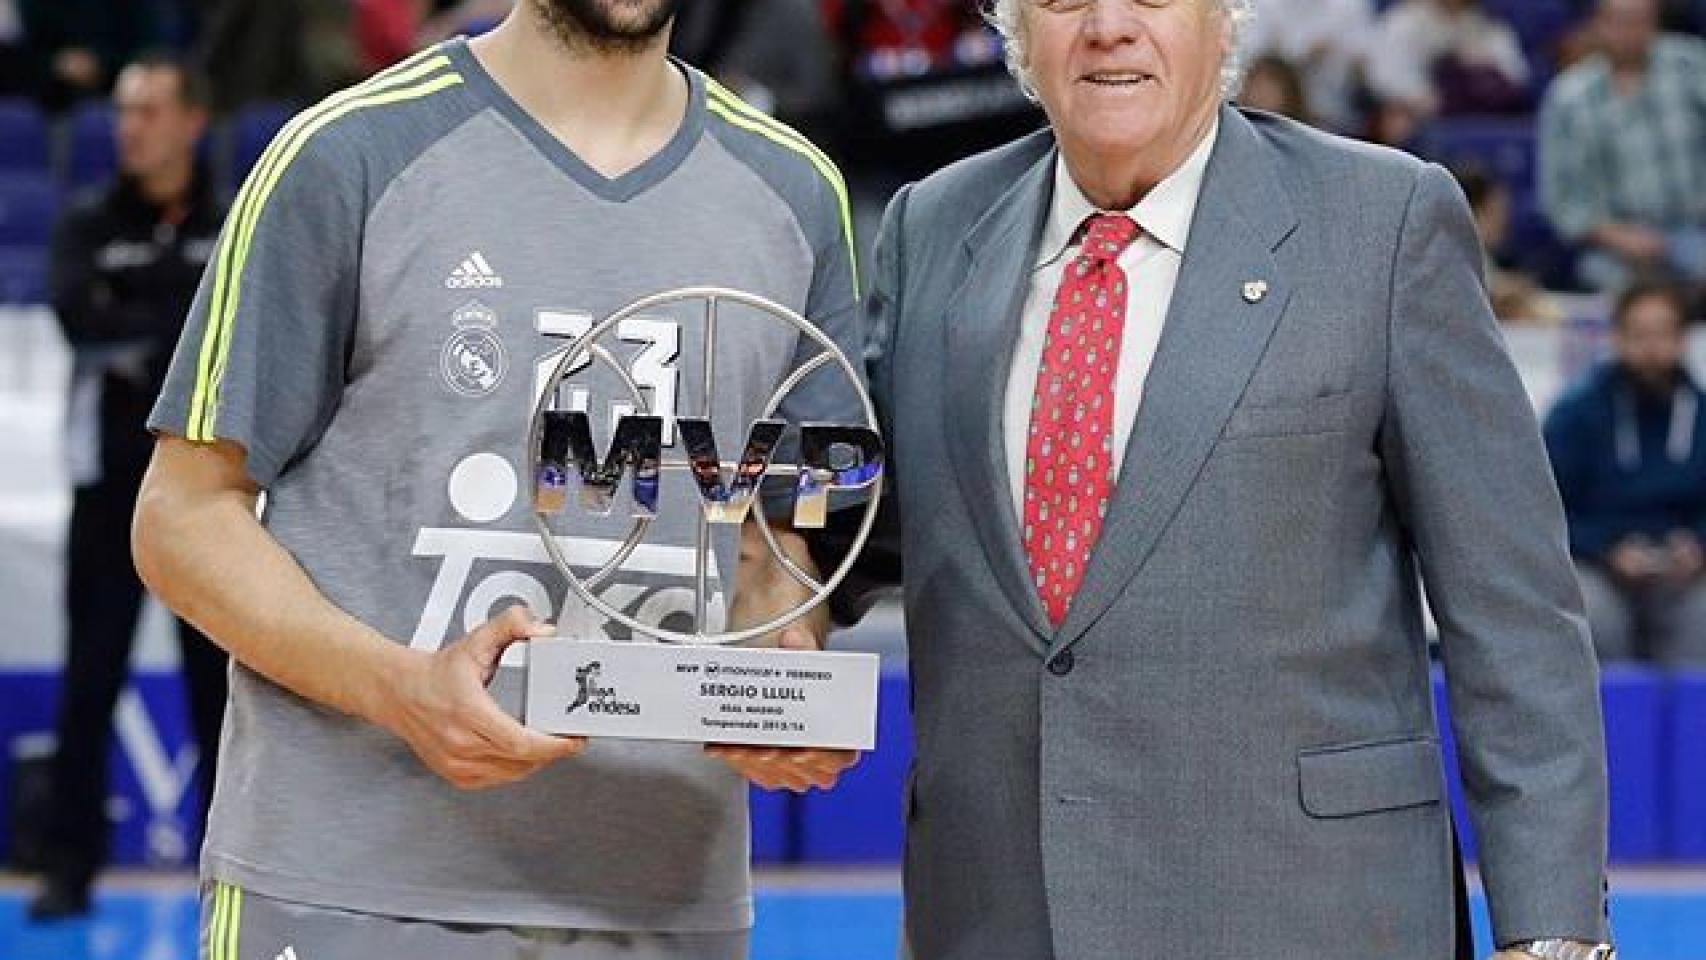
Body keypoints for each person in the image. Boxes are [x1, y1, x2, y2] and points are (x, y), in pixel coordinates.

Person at [854, 0, 1612, 957]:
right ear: (1014, 34)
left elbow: (1513, 613)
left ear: (1226, 21)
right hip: (1000, 914)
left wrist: (1553, 934)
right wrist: (770, 597)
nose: (1108, 26)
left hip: (1313, 911)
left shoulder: (1383, 223)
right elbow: (866, 524)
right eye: (1062, 0)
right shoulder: (932, 224)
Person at [132, 1, 862, 956]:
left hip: (660, 898)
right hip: (350, 891)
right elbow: (180, 517)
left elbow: (775, 527)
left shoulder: (795, 191)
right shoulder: (346, 152)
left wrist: (784, 655)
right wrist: (399, 688)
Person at [30, 52, 228, 921]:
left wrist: (141, 328)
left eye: (149, 109)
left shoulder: (229, 223)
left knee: (219, 692)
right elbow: (82, 317)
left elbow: (226, 329)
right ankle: (68, 869)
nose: (130, 126)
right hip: (109, 490)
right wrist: (168, 332)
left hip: (211, 501)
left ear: (192, 120)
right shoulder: (84, 220)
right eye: (123, 110)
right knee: (89, 681)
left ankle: (231, 871)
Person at [1545, 282, 1706, 665]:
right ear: (1616, 338)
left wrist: (1698, 545)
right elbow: (1546, 509)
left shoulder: (1702, 415)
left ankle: (1691, 724)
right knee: (1595, 618)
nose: (1651, 349)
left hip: (1684, 567)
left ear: (1683, 339)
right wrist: (1605, 548)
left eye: (1663, 334)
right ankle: (1612, 721)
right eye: (1639, 335)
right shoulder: (1577, 414)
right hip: (1595, 562)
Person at [1538, 0, 1706, 294]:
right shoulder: (1568, 97)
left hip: (1693, 228)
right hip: (1612, 245)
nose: (1630, 31)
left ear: (1655, 22)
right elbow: (1560, 201)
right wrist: (1617, 236)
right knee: (1617, 285)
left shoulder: (1691, 68)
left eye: (1640, 20)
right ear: (1598, 25)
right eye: (1620, 21)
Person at [1240, 0, 1372, 131]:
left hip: (1333, 114)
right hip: (1277, 111)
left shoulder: (1349, 7)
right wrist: (1303, 53)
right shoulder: (1265, 5)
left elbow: (1365, 62)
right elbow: (1253, 58)